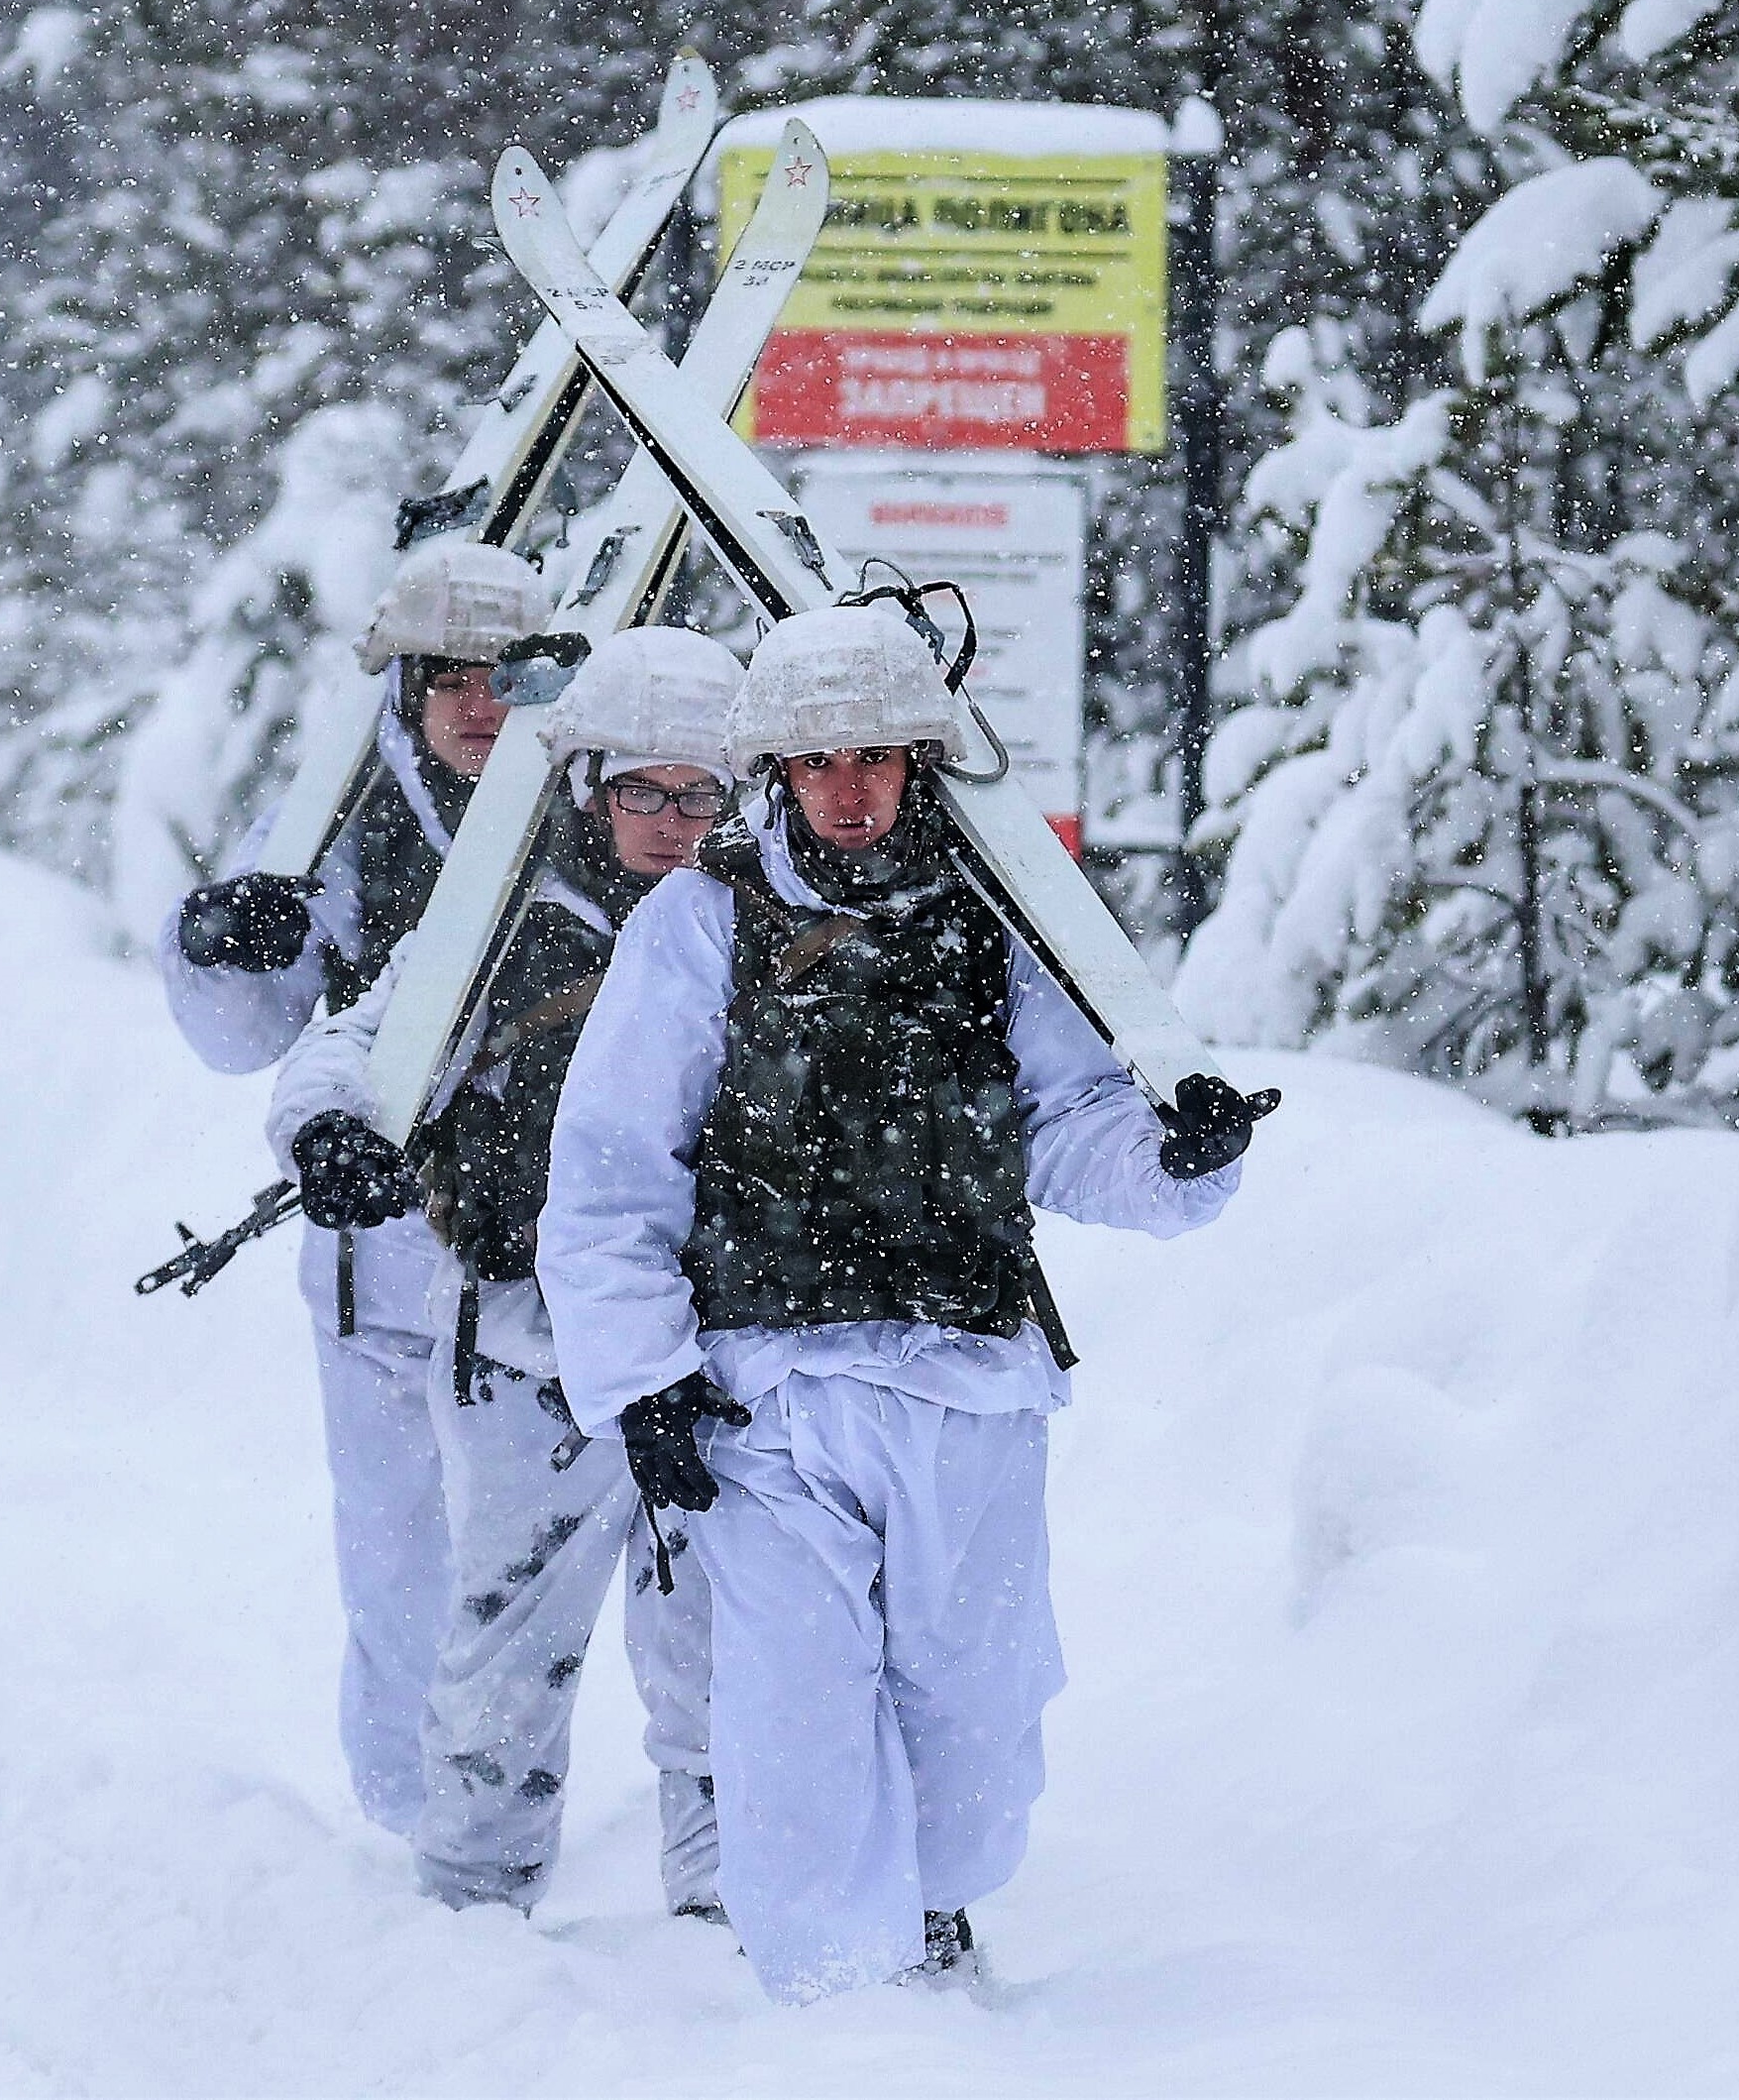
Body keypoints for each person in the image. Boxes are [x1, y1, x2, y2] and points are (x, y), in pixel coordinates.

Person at [541, 604, 1267, 2001]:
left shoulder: (998, 921)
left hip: (967, 1376)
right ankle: (836, 2002)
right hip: (766, 1395)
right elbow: (614, 1170)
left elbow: (1064, 1123)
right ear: (776, 769)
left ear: (917, 761)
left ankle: (935, 1916)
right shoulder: (699, 923)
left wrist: (1174, 1159)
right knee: (795, 1705)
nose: (849, 789)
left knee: (971, 1703)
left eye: (873, 754)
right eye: (818, 760)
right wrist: (644, 1381)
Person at [268, 627, 748, 1916]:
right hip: (531, 1349)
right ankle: (473, 1916)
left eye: (696, 793)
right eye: (640, 789)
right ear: (587, 783)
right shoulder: (500, 917)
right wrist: (328, 1129)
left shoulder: (761, 925)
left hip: (714, 1357)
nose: (669, 822)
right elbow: (362, 1039)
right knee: (505, 1653)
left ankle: (730, 1920)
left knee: (723, 1653)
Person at [155, 534, 545, 1838]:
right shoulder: (334, 816)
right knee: (397, 1553)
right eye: (451, 680)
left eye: (505, 677)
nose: (479, 707)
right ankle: (412, 1823)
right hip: (377, 1244)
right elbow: (240, 1036)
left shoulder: (602, 800)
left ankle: (540, 1819)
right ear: (403, 686)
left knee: (542, 1564)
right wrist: (220, 942)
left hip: (559, 1240)